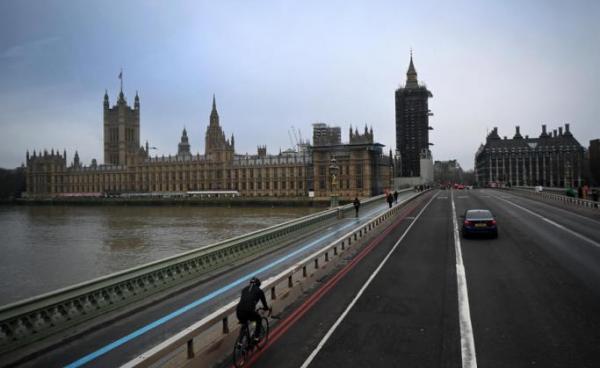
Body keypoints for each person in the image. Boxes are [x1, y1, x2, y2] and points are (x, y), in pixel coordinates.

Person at [236, 277, 270, 342]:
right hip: (248, 311)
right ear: (258, 285)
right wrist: (266, 308)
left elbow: (246, 300)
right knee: (258, 319)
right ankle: (256, 338)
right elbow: (264, 303)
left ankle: (239, 343)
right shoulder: (259, 291)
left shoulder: (244, 289)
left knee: (244, 323)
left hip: (238, 311)